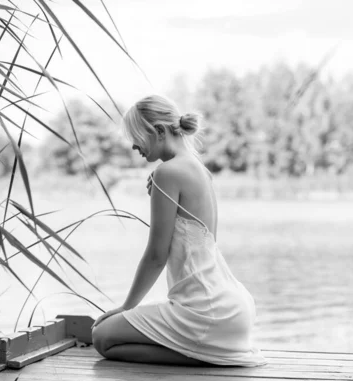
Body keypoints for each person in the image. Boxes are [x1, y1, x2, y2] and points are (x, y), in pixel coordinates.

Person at [91, 95, 267, 367]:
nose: (134, 145)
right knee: (113, 333)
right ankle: (211, 351)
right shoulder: (199, 170)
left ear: (159, 132)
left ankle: (204, 357)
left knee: (102, 337)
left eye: (137, 136)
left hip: (206, 312)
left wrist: (126, 308)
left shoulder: (167, 173)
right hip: (234, 309)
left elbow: (156, 255)